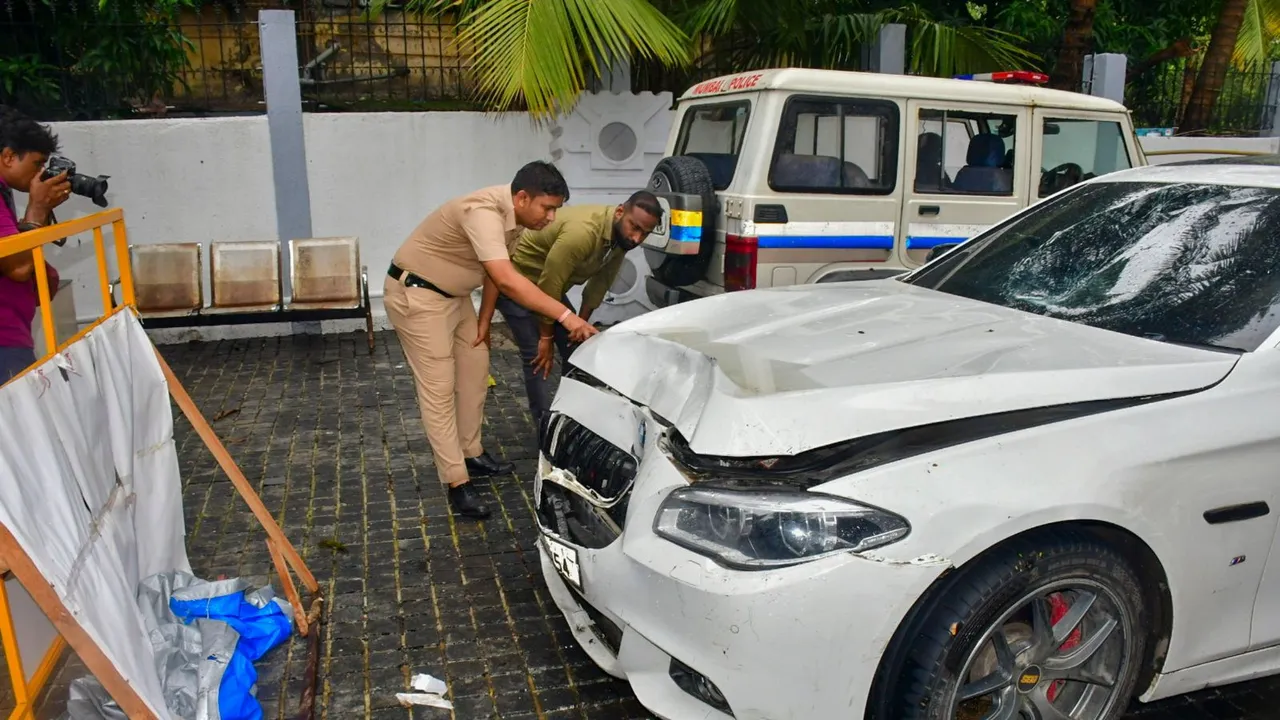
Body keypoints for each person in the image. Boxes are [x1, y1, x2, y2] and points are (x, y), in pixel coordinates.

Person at [384, 161, 598, 520]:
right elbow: (508, 278)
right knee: (438, 388)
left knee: (475, 374)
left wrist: (484, 321)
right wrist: (566, 316)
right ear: (522, 197)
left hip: (457, 298)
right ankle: (456, 481)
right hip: (418, 295)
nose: (550, 218)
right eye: (547, 208)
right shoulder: (482, 213)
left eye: (556, 210)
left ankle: (471, 451)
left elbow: (495, 272)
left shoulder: (514, 216)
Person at [492, 191, 662, 437]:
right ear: (619, 212)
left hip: (548, 287)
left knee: (579, 349)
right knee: (538, 358)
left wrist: (579, 326)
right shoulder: (583, 233)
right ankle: (546, 432)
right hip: (517, 283)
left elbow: (599, 284)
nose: (637, 237)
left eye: (644, 233)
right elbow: (550, 282)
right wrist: (547, 338)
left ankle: (573, 417)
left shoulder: (620, 237)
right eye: (634, 227)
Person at [0, 107, 70, 382]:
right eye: (37, 164)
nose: (40, 173)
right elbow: (17, 266)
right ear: (8, 156)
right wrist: (38, 209)